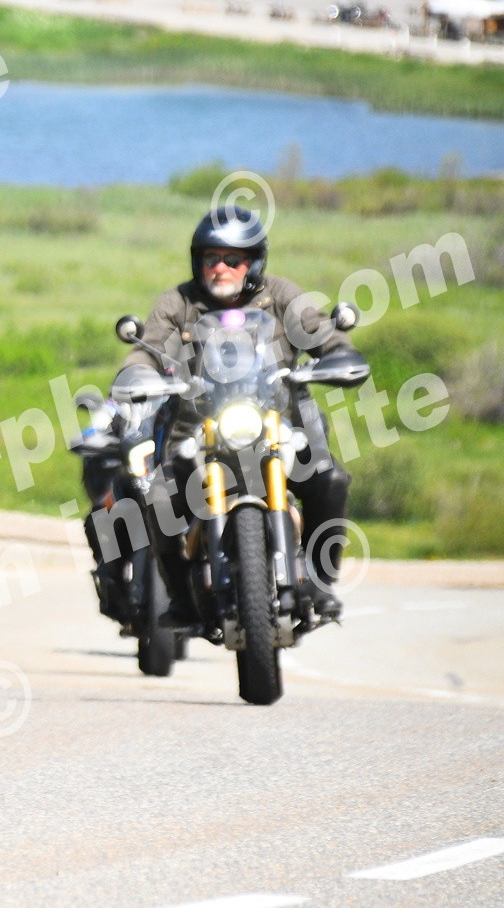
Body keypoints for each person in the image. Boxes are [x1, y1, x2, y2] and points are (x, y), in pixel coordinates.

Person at [116, 205, 367, 625]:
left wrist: (339, 354)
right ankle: (180, 598)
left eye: (232, 259)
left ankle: (321, 583)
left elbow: (323, 333)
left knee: (330, 479)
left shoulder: (282, 295)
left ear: (253, 263)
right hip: (196, 429)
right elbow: (148, 349)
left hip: (280, 423)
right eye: (211, 258)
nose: (220, 268)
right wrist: (137, 372)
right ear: (197, 261)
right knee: (159, 496)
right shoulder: (178, 302)